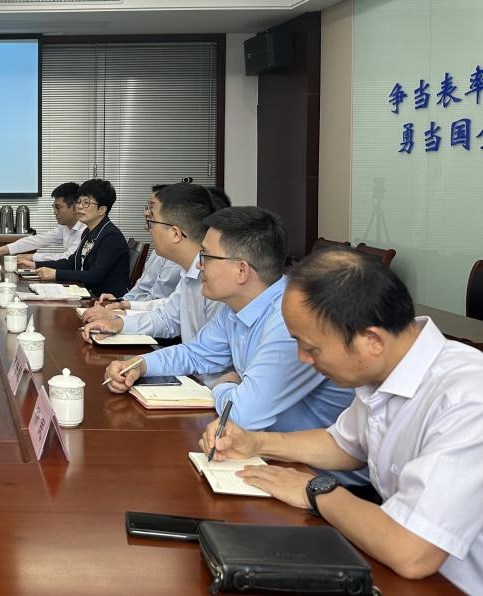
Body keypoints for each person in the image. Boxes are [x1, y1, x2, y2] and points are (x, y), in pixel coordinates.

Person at [201, 248, 483, 590]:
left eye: (311, 348)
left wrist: (314, 490)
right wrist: (255, 442)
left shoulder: (468, 400)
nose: (302, 359)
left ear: (372, 340)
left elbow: (412, 551)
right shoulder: (387, 366)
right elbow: (344, 444)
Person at [103, 206, 355, 435]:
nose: (199, 266)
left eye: (206, 256)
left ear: (241, 270)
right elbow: (196, 353)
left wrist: (223, 384)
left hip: (305, 464)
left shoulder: (290, 320)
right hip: (260, 445)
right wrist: (140, 365)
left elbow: (242, 415)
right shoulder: (236, 306)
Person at [81, 183, 223, 342]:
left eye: (152, 223)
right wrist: (119, 324)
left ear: (175, 234)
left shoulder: (217, 281)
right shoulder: (189, 273)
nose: (149, 229)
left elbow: (208, 352)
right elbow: (167, 318)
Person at [35, 179, 130, 298]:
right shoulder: (89, 231)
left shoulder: (111, 237)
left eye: (86, 203)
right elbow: (72, 263)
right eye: (79, 202)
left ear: (101, 210)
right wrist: (35, 265)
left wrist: (56, 274)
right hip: (86, 294)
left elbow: (94, 276)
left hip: (104, 301)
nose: (79, 207)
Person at [0, 182, 84, 266]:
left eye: (58, 207)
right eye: (54, 207)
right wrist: (2, 249)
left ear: (75, 208)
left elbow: (68, 258)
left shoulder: (85, 229)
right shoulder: (65, 227)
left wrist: (31, 257)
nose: (54, 212)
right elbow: (39, 240)